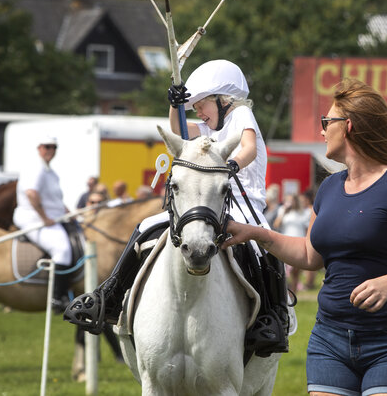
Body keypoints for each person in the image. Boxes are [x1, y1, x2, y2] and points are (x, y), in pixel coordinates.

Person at [221, 78, 387, 395]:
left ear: (349, 125)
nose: (322, 130)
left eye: (327, 122)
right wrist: (256, 234)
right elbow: (311, 256)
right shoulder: (328, 188)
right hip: (330, 339)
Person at [66, 59, 290, 356]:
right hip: (207, 202)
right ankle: (110, 295)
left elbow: (247, 147)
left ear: (224, 100)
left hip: (244, 201)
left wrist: (230, 165)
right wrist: (175, 104)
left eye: (201, 104)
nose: (197, 111)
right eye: (193, 105)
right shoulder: (210, 127)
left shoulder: (241, 114)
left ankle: (273, 317)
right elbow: (179, 130)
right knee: (145, 226)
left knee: (262, 246)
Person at [13, 135, 73, 313]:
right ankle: (57, 297)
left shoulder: (50, 171)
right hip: (33, 218)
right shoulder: (36, 168)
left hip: (53, 217)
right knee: (62, 249)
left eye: (54, 147)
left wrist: (68, 212)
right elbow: (32, 194)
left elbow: (54, 199)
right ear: (39, 148)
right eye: (47, 147)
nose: (50, 150)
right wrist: (44, 218)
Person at [273, 194, 308, 292]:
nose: (289, 202)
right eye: (287, 200)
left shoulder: (303, 212)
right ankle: (285, 291)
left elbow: (306, 229)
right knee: (285, 269)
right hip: (286, 241)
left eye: (291, 200)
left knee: (296, 271)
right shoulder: (282, 211)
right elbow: (276, 224)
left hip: (299, 241)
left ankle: (294, 292)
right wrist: (283, 210)